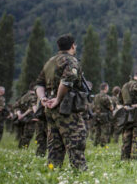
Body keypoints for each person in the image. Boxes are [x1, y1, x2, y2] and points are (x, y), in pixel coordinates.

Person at [35, 34, 89, 170]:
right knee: (76, 139)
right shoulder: (71, 61)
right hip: (66, 106)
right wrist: (58, 99)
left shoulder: (50, 62)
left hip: (49, 107)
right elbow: (66, 81)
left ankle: (53, 171)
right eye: (75, 45)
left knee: (54, 143)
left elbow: (39, 84)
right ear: (72, 46)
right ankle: (79, 172)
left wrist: (43, 99)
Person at [93, 83, 114, 147]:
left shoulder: (96, 96)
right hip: (104, 116)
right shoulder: (106, 97)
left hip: (96, 115)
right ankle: (103, 144)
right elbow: (111, 108)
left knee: (97, 130)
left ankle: (95, 144)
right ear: (105, 88)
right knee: (105, 131)